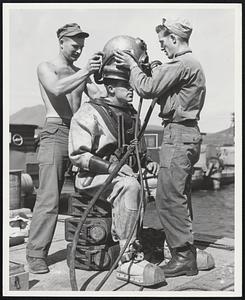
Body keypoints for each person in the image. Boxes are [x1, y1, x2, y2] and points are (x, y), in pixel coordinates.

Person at [114, 17, 206, 278]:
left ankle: (183, 257)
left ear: (175, 39)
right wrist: (154, 68)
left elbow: (146, 88)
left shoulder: (181, 63)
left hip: (178, 135)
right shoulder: (190, 65)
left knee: (168, 198)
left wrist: (132, 65)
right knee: (180, 195)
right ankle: (184, 252)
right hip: (186, 134)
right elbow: (161, 85)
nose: (162, 47)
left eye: (163, 42)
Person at [68, 74, 165, 286]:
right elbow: (78, 155)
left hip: (126, 171)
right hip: (92, 177)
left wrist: (148, 163)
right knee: (129, 186)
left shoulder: (131, 113)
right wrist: (112, 168)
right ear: (110, 89)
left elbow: (138, 151)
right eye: (126, 86)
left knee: (167, 184)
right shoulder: (89, 113)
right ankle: (126, 256)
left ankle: (176, 246)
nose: (132, 90)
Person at [26, 23, 104, 274]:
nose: (79, 52)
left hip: (77, 134)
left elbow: (101, 96)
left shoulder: (81, 73)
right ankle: (36, 254)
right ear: (61, 42)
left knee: (88, 190)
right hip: (54, 132)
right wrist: (86, 73)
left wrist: (101, 72)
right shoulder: (46, 68)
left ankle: (90, 243)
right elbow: (57, 88)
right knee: (49, 197)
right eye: (74, 46)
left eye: (82, 48)